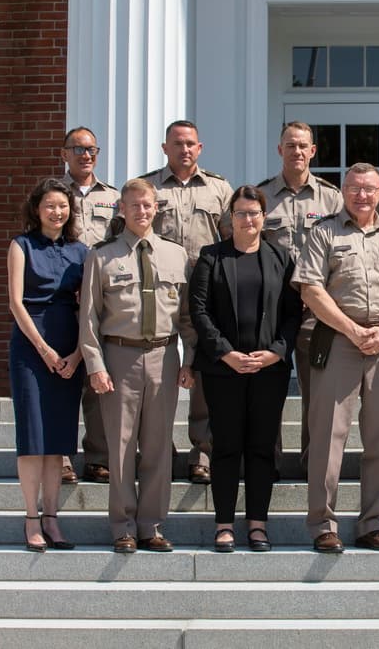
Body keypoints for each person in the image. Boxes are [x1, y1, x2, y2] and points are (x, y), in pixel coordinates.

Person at [293, 163, 379, 554]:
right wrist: (351, 330)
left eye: (369, 189)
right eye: (354, 188)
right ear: (343, 191)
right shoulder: (324, 232)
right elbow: (311, 289)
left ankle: (371, 524)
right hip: (338, 341)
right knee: (328, 437)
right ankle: (323, 524)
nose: (362, 196)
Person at [79, 178, 197, 553]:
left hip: (164, 356)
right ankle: (123, 526)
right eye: (134, 205)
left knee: (159, 447)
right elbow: (89, 318)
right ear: (122, 209)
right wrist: (95, 365)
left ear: (156, 208)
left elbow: (187, 317)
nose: (141, 211)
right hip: (120, 357)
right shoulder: (102, 256)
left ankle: (151, 526)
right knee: (121, 448)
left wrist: (189, 361)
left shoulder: (176, 255)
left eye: (147, 205)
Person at [190, 185, 302, 552]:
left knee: (261, 447)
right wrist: (226, 353)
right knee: (225, 446)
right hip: (223, 370)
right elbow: (199, 311)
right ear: (231, 217)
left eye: (254, 213)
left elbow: (293, 313)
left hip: (268, 370)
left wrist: (276, 353)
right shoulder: (211, 257)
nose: (248, 219)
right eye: (241, 213)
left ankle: (257, 525)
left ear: (264, 217)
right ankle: (224, 525)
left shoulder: (281, 258)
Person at [142, 119, 233, 485]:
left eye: (190, 143)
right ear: (165, 148)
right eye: (177, 143)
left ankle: (203, 452)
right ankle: (158, 449)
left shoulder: (219, 188)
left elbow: (230, 239)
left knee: (204, 368)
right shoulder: (148, 186)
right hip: (157, 287)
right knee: (156, 366)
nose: (184, 149)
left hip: (205, 289)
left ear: (200, 148)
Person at [258, 121, 343, 477]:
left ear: (313, 151)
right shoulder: (261, 195)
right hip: (271, 311)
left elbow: (343, 251)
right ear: (280, 150)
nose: (296, 151)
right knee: (268, 391)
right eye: (290, 145)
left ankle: (313, 462)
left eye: (302, 145)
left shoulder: (332, 198)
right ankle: (269, 462)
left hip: (315, 311)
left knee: (318, 391)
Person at [7, 177, 86, 552]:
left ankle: (53, 518)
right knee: (33, 439)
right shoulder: (21, 245)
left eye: (63, 206)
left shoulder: (81, 251)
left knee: (58, 440)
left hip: (70, 347)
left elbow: (90, 307)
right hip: (31, 348)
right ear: (37, 210)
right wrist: (44, 350)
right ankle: (31, 518)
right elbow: (16, 302)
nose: (57, 212)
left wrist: (78, 354)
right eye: (50, 206)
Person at [59, 126, 120, 485]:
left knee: (99, 380)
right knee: (64, 380)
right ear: (64, 154)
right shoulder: (52, 193)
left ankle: (98, 457)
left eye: (91, 150)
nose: (86, 155)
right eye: (78, 149)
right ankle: (62, 456)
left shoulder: (114, 197)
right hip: (63, 300)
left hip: (101, 301)